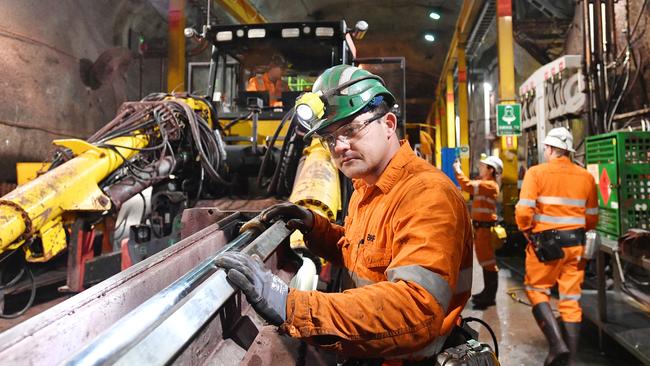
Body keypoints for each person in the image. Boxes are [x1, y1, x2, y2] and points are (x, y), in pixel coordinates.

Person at [217, 65, 474, 363]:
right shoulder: (366, 190)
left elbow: (417, 309)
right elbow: (364, 256)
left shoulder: (427, 194)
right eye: (329, 137)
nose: (339, 146)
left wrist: (290, 304)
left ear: (389, 123)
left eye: (351, 130)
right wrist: (314, 226)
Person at [515, 127, 598, 366]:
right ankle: (570, 358)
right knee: (570, 300)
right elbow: (592, 217)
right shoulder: (586, 177)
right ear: (568, 151)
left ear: (550, 149)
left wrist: (527, 231)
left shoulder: (536, 173)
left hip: (545, 246)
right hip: (576, 246)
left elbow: (523, 211)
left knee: (536, 289)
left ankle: (556, 344)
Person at [453, 155, 503, 310]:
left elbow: (467, 185)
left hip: (485, 230)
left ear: (491, 170)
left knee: (488, 262)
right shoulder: (485, 185)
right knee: (484, 261)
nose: (480, 168)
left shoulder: (489, 185)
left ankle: (489, 296)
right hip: (481, 229)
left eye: (483, 166)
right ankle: (486, 293)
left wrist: (457, 170)